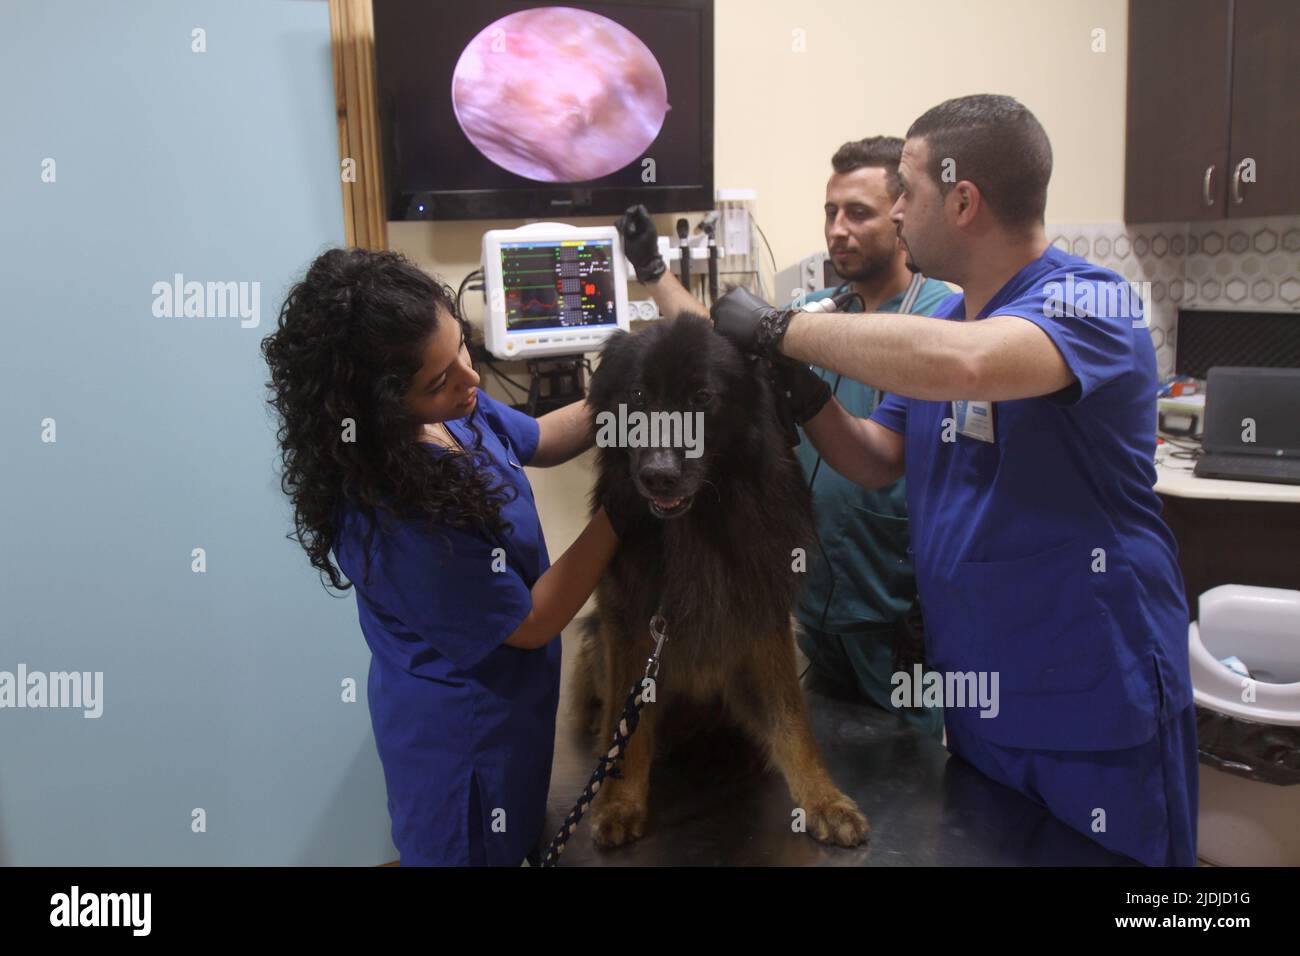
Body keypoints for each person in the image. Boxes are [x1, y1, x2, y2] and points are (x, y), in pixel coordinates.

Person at [710, 94, 1197, 866]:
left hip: (1094, 699)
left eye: (906, 192)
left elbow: (970, 367)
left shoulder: (1089, 302)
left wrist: (777, 327)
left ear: (964, 201)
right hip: (980, 701)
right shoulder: (950, 327)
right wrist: (801, 388)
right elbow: (872, 457)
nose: (896, 212)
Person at [261, 247, 630, 866]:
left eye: (462, 346)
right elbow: (532, 620)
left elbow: (541, 438)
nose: (471, 378)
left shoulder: (454, 406)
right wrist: (626, 507)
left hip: (516, 716)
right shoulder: (394, 515)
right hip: (462, 749)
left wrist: (629, 395)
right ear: (377, 408)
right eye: (439, 380)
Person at [617, 137, 951, 738]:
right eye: (831, 213)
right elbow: (712, 345)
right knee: (833, 769)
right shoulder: (813, 313)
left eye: (859, 213)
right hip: (818, 610)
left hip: (898, 612)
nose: (838, 230)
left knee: (918, 777)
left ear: (901, 215)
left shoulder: (942, 319)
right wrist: (653, 273)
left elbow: (881, 457)